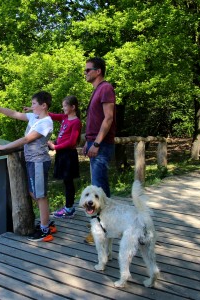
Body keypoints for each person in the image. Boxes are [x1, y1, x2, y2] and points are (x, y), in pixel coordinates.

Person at [0, 91, 55, 242]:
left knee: (40, 196)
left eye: (34, 104)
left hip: (38, 162)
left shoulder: (46, 122)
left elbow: (26, 139)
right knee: (34, 193)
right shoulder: (34, 117)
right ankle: (46, 223)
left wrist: (6, 147)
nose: (31, 106)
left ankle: (45, 229)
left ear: (44, 105)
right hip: (32, 162)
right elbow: (13, 114)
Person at [83, 57, 116, 244]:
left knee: (99, 190)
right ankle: (102, 227)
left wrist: (95, 143)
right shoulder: (97, 90)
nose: (85, 73)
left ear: (98, 71)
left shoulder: (105, 88)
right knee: (98, 188)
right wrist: (88, 142)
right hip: (94, 143)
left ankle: (102, 230)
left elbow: (108, 118)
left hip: (101, 145)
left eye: (88, 70)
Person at [47, 95, 82, 218]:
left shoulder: (76, 122)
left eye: (65, 105)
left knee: (68, 182)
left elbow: (72, 142)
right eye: (63, 105)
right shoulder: (64, 117)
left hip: (68, 155)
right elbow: (51, 115)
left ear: (73, 107)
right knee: (66, 181)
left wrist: (55, 147)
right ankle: (69, 207)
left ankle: (69, 208)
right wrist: (32, 108)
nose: (63, 108)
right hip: (62, 154)